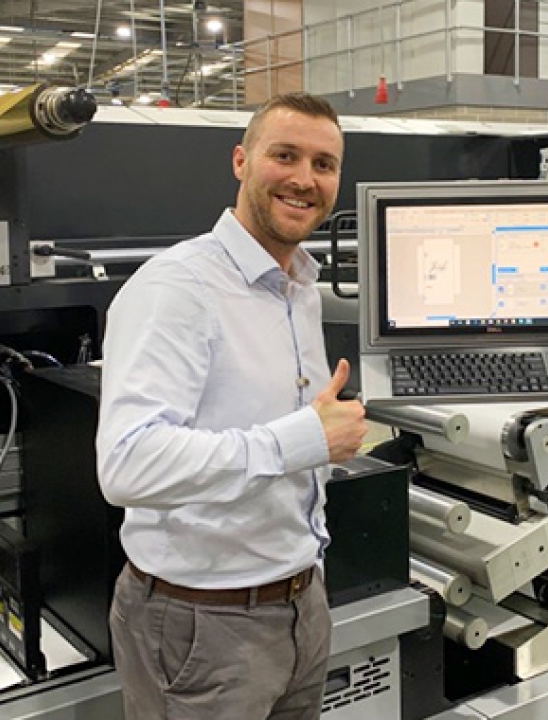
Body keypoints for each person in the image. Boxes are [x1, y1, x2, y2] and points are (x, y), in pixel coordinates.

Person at [96, 92, 367, 720]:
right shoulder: (177, 289)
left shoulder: (300, 284)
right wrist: (305, 439)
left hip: (300, 605)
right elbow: (128, 464)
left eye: (324, 164)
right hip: (201, 625)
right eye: (285, 155)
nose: (305, 179)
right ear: (242, 161)